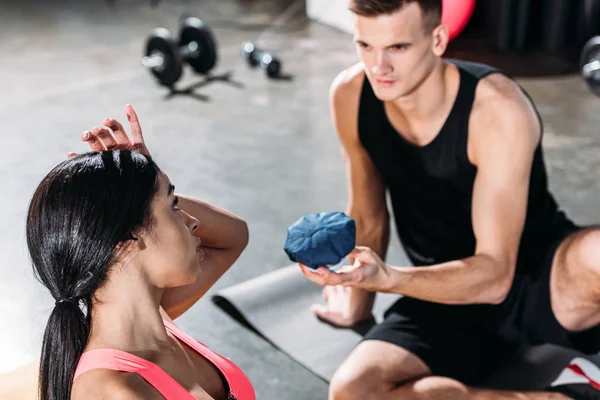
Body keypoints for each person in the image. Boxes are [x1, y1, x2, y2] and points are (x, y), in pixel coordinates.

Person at [298, 1, 600, 399]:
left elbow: (495, 276)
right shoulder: (351, 95)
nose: (379, 67)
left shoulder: (496, 108)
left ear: (437, 39)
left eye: (397, 48)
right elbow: (369, 215)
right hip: (444, 293)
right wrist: (358, 302)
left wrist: (390, 279)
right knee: (353, 391)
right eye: (366, 46)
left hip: (539, 276)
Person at [25, 105, 255, 400]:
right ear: (124, 237)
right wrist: (146, 191)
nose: (193, 221)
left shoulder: (156, 323)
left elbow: (234, 236)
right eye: (174, 207)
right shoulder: (116, 392)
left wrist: (142, 181)